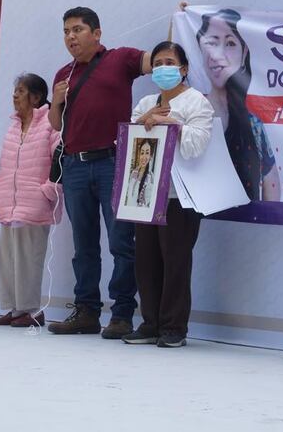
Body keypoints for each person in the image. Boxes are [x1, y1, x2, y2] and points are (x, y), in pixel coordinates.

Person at [47, 7, 152, 338]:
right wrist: (56, 101)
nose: (71, 37)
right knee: (84, 245)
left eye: (77, 29)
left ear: (97, 33)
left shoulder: (120, 59)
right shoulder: (63, 74)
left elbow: (159, 61)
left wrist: (179, 22)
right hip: (75, 165)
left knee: (122, 242)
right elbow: (55, 124)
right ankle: (87, 311)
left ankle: (122, 314)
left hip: (114, 162)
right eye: (66, 31)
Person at [122, 40, 213, 348]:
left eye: (170, 63)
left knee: (175, 260)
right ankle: (150, 323)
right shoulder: (146, 102)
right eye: (158, 64)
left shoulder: (196, 101)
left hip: (180, 196)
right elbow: (129, 141)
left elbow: (196, 145)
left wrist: (169, 122)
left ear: (183, 69)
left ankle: (174, 327)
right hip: (146, 194)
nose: (163, 68)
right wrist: (144, 121)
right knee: (146, 260)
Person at [0, 73, 61, 328]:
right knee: (7, 260)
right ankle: (16, 309)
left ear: (36, 97)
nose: (15, 95)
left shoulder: (50, 123)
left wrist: (49, 191)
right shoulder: (14, 126)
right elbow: (5, 165)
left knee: (29, 260)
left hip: (35, 204)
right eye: (15, 90)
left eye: (20, 91)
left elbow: (59, 161)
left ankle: (33, 311)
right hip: (8, 204)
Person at [195, 9, 280, 201]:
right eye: (212, 43)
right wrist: (177, 21)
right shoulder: (191, 108)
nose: (217, 54)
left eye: (230, 43)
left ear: (244, 54)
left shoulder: (253, 122)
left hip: (245, 218)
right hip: (203, 215)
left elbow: (271, 179)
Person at [124, 139, 156, 208]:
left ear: (150, 156)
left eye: (147, 153)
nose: (144, 156)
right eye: (142, 153)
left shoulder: (151, 178)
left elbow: (147, 202)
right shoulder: (133, 172)